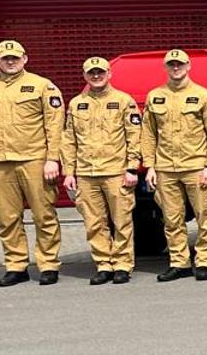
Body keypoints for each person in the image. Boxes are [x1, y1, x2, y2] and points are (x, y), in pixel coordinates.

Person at [0, 40, 66, 287]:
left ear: (25, 59)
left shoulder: (41, 86)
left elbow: (55, 126)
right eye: (5, 58)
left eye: (15, 57)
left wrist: (53, 159)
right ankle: (16, 266)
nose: (10, 61)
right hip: (0, 163)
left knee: (43, 215)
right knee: (7, 217)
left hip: (34, 160)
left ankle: (48, 265)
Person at [145, 49, 207, 281]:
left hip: (196, 167)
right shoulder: (155, 96)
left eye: (180, 64)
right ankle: (179, 262)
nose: (176, 68)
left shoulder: (203, 95)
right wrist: (150, 166)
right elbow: (148, 134)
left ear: (188, 66)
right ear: (165, 67)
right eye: (171, 65)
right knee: (171, 219)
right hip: (166, 168)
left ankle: (204, 261)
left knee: (204, 216)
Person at [64, 55, 143, 284]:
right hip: (87, 174)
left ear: (109, 74)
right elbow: (69, 140)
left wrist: (131, 168)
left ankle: (122, 264)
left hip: (116, 172)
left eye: (100, 72)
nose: (96, 76)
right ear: (85, 76)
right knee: (94, 223)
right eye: (92, 73)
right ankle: (103, 264)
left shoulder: (123, 101)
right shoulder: (76, 103)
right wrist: (69, 172)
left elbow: (134, 136)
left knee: (121, 221)